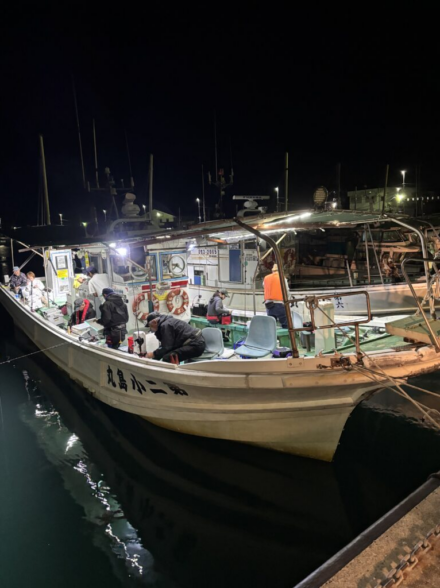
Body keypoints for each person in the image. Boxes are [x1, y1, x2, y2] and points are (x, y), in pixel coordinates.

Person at [263, 263, 289, 328]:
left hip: (269, 305)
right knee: (285, 324)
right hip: (279, 304)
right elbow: (287, 290)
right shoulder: (282, 278)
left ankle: (272, 337)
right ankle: (285, 337)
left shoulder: (266, 278)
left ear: (272, 271)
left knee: (271, 325)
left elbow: (264, 286)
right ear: (280, 270)